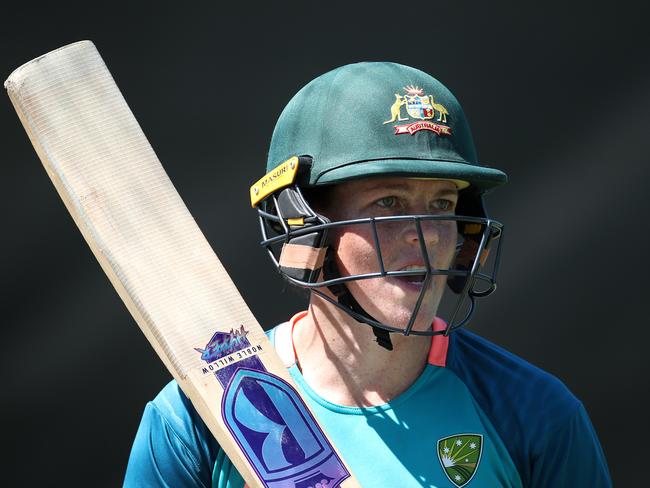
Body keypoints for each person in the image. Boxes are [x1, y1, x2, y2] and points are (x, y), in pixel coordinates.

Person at [124, 62, 612, 487]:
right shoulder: (200, 415)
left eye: (441, 205)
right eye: (389, 202)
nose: (427, 237)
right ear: (304, 226)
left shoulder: (535, 415)